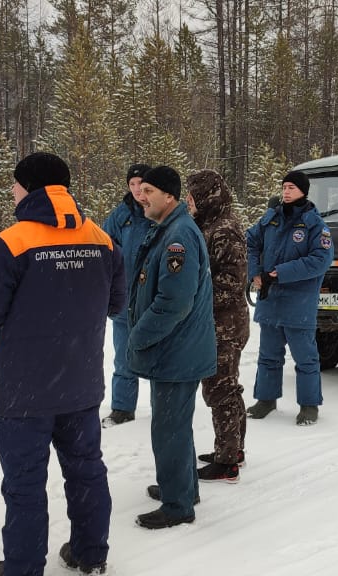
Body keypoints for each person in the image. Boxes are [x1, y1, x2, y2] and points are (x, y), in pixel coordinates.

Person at [0, 152, 125, 576]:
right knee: (86, 471)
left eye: (15, 184)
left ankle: (23, 568)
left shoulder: (15, 241)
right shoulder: (101, 239)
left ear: (29, 187)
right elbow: (117, 303)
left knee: (25, 485)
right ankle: (92, 554)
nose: (12, 191)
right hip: (81, 382)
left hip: (24, 390)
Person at [126, 166, 216, 529]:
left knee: (168, 428)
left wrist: (138, 336)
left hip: (176, 350)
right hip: (179, 349)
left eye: (148, 190)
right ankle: (182, 487)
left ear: (169, 196)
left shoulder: (177, 235)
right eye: (140, 189)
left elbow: (173, 302)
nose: (142, 196)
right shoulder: (169, 229)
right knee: (176, 424)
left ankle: (177, 505)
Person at [246, 170, 334, 426]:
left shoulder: (315, 225)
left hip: (299, 303)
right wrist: (255, 273)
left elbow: (321, 260)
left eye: (291, 188)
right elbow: (251, 241)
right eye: (284, 187)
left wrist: (280, 273)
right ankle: (266, 399)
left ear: (303, 191)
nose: (286, 192)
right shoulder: (270, 218)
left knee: (305, 358)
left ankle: (309, 405)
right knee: (268, 355)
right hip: (271, 299)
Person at [185, 170, 249, 481]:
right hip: (220, 321)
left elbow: (232, 282)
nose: (189, 202)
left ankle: (227, 462)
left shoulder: (223, 230)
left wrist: (197, 299)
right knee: (228, 388)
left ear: (208, 196)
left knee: (220, 389)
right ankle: (233, 447)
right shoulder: (209, 224)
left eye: (193, 196)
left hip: (224, 324)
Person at [99, 163, 153, 427]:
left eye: (141, 185)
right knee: (123, 357)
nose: (136, 190)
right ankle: (122, 407)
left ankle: (164, 408)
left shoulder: (160, 212)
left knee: (157, 356)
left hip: (154, 300)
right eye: (131, 185)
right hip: (124, 298)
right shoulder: (121, 215)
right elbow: (105, 248)